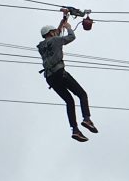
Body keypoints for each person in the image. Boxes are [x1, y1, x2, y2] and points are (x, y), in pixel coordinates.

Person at [37, 14, 98, 142]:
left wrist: (63, 20)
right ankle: (86, 119)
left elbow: (56, 35)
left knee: (69, 101)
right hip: (60, 72)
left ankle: (75, 130)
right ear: (50, 33)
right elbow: (71, 37)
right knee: (82, 94)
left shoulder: (41, 46)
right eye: (54, 32)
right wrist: (69, 27)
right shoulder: (56, 40)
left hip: (50, 77)